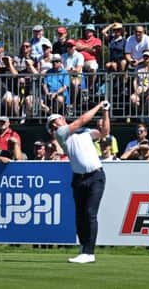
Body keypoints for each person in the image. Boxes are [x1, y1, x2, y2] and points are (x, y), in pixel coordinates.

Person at [46, 99, 110, 264]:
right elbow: (81, 120)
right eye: (51, 125)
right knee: (80, 216)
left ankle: (89, 252)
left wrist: (105, 112)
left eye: (56, 120)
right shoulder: (61, 133)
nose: (54, 125)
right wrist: (99, 105)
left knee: (90, 213)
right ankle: (83, 248)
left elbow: (104, 133)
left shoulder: (85, 132)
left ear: (62, 119)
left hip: (96, 176)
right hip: (79, 178)